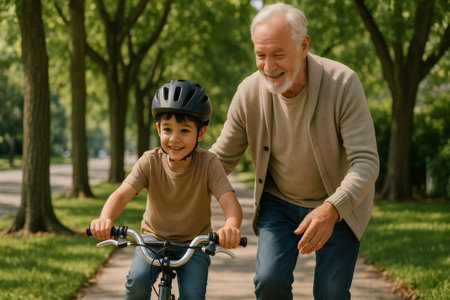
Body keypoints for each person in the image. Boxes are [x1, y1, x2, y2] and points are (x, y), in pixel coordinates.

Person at [210, 3, 379, 300]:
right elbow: (220, 159)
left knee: (331, 293)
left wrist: (332, 208)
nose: (268, 66)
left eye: (278, 54)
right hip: (279, 203)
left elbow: (366, 162)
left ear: (304, 46)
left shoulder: (343, 83)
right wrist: (170, 179)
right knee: (268, 281)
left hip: (335, 204)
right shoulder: (249, 92)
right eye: (260, 55)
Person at [89, 79, 243, 300]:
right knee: (136, 282)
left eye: (184, 130)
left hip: (194, 244)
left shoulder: (209, 164)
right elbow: (122, 193)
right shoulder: (149, 161)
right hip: (153, 240)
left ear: (200, 133)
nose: (174, 138)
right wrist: (105, 218)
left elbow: (230, 203)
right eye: (168, 129)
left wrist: (231, 226)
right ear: (158, 128)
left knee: (193, 295)